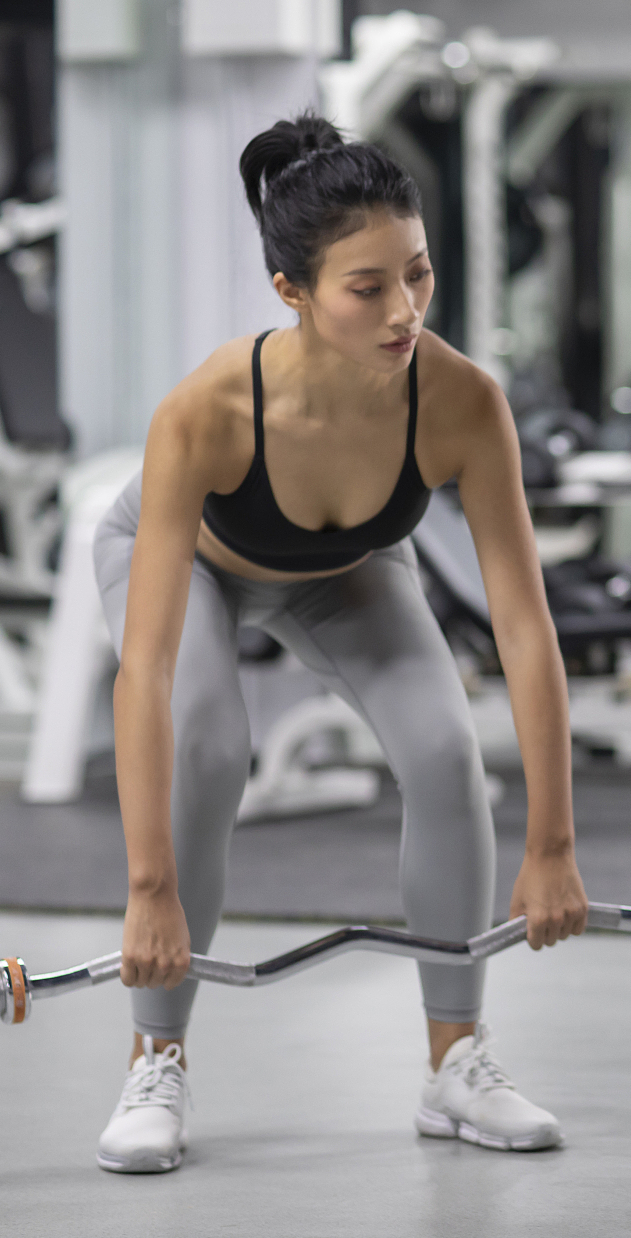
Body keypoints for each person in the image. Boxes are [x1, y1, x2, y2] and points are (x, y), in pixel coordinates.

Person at [92, 114, 587, 1174]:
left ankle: (455, 1064)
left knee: (447, 754)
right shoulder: (210, 410)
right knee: (212, 746)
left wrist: (552, 845)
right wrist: (147, 891)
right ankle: (156, 1056)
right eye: (368, 288)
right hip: (188, 566)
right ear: (293, 293)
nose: (404, 309)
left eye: (417, 274)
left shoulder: (459, 401)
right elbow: (147, 672)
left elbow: (523, 625)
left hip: (347, 574)